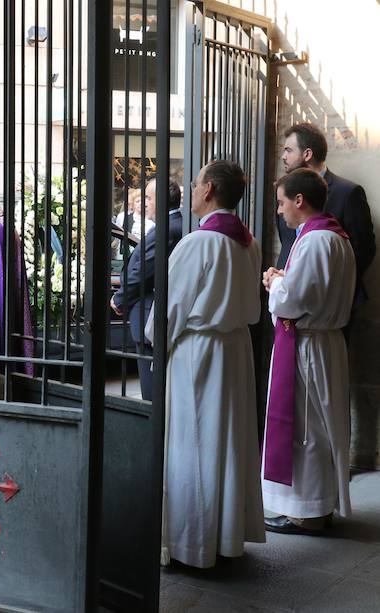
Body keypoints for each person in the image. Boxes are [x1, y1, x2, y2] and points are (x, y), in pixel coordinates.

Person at [147, 161, 265, 568]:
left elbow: (168, 310)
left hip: (198, 354)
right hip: (234, 350)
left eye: (195, 183)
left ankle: (192, 545)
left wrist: (154, 341)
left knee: (192, 445)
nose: (192, 189)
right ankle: (225, 538)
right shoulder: (248, 242)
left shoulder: (198, 243)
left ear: (210, 189)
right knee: (226, 444)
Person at [261, 168, 355, 535]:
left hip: (310, 346)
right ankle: (314, 506)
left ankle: (308, 511)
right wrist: (284, 280)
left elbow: (294, 300)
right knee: (316, 423)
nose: (280, 211)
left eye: (282, 203)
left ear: (300, 200)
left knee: (307, 428)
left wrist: (274, 282)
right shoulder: (333, 236)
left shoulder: (317, 241)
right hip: (320, 342)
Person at [275, 122, 374, 309]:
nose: (283, 156)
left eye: (288, 150)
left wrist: (333, 287)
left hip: (331, 304)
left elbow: (364, 249)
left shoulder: (348, 193)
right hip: (286, 297)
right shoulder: (285, 191)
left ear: (307, 154)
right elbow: (287, 242)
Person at [109, 178, 183, 401]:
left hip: (151, 314)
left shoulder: (168, 229)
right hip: (151, 313)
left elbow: (142, 272)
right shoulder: (171, 226)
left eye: (149, 198)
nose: (145, 203)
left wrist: (119, 299)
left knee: (152, 390)